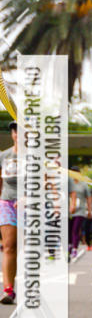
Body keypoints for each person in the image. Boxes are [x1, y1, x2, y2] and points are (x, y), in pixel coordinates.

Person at [0, 121, 19, 304]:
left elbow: (45, 183)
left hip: (30, 205)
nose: (19, 133)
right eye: (15, 130)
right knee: (9, 246)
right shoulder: (3, 156)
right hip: (7, 202)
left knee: (29, 248)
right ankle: (8, 289)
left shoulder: (36, 157)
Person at [68, 168, 92, 258]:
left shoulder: (84, 184)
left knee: (75, 229)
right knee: (69, 229)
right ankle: (69, 246)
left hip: (80, 210)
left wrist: (89, 210)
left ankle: (74, 248)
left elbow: (89, 198)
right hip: (69, 210)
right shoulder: (68, 183)